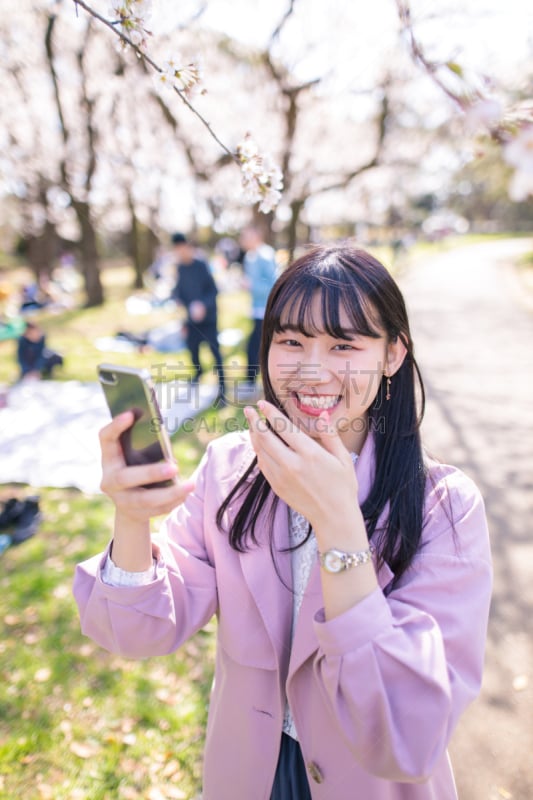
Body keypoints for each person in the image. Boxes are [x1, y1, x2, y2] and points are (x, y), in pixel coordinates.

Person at [74, 244, 492, 800]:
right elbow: (138, 629)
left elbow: (406, 738)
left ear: (392, 354)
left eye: (344, 344)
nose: (311, 369)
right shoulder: (229, 469)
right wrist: (131, 519)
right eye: (290, 341)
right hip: (247, 771)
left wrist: (339, 524)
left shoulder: (446, 508)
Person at [170, 232, 226, 404]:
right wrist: (176, 298)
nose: (181, 252)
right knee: (192, 349)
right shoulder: (179, 268)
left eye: (183, 249)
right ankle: (198, 373)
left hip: (208, 318)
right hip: (191, 320)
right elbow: (179, 290)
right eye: (177, 250)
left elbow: (214, 291)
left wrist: (202, 304)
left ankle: (223, 387)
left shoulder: (201, 265)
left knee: (214, 351)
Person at [240, 224, 278, 387]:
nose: (243, 240)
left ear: (256, 236)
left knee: (260, 345)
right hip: (255, 309)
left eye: (247, 236)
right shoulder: (250, 256)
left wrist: (252, 286)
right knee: (254, 345)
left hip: (265, 310)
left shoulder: (266, 255)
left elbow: (273, 284)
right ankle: (252, 380)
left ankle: (261, 381)